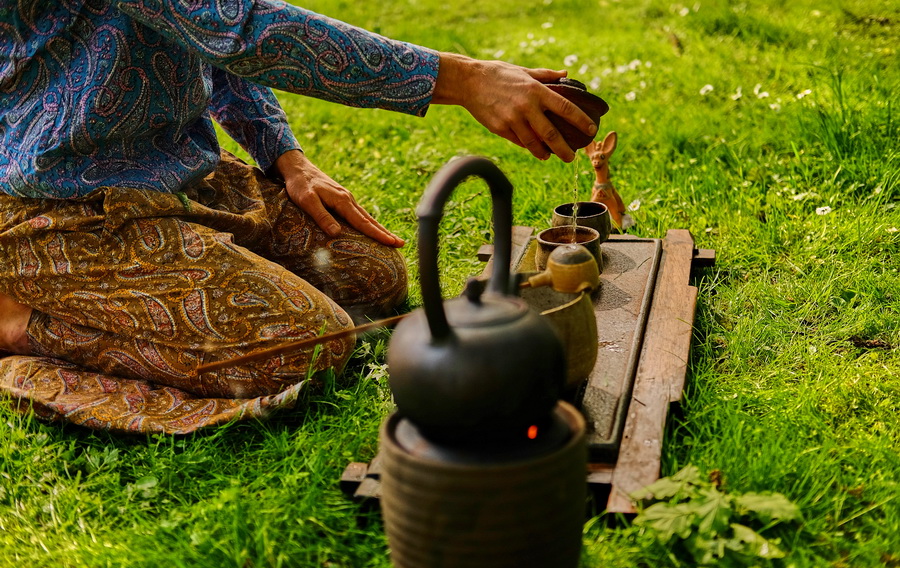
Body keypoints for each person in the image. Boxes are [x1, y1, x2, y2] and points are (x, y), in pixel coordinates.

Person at [0, 0, 596, 426]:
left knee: (373, 278)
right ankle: (16, 319)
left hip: (180, 177)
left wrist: (285, 157)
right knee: (313, 347)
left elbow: (215, 38)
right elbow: (244, 29)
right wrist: (464, 80)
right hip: (57, 205)